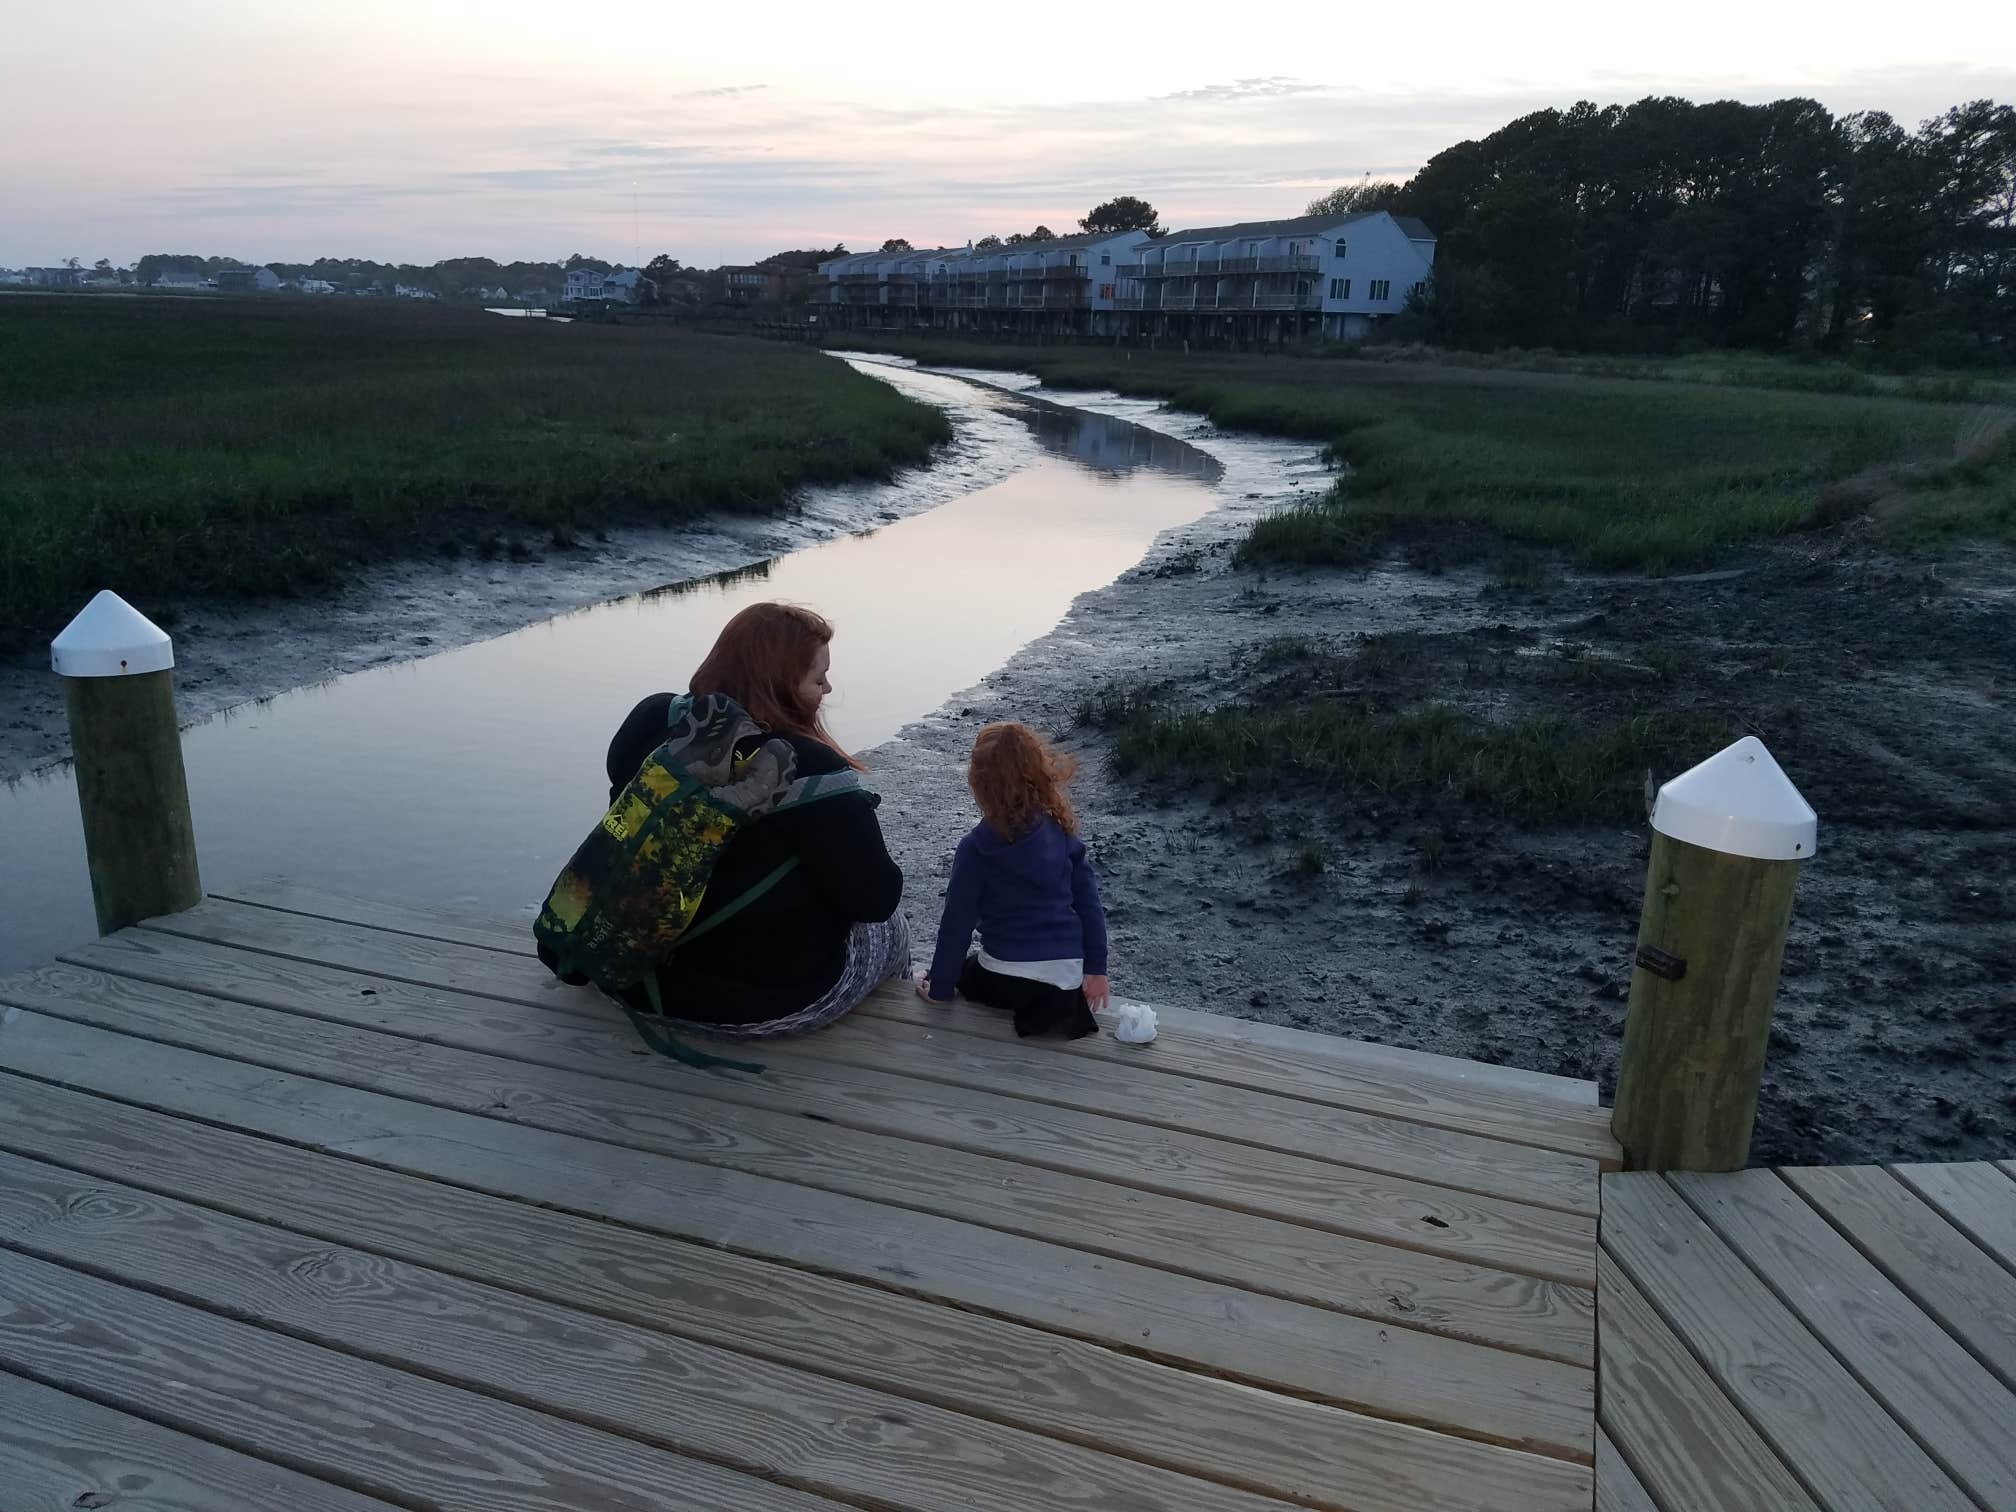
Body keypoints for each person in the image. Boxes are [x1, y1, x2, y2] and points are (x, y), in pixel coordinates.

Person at [602, 602, 907, 1036]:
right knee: (892, 929)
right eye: (818, 679)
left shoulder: (653, 718)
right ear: (782, 685)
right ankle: (898, 1044)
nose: (828, 688)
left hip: (626, 973)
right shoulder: (813, 770)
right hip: (751, 1004)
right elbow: (877, 900)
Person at [919, 722, 1109, 1038]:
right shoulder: (1061, 834)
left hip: (1007, 978)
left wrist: (939, 989)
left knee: (968, 969)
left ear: (979, 785)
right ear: (1038, 774)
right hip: (1066, 977)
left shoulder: (976, 848)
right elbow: (1090, 908)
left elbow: (956, 925)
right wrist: (1096, 970)